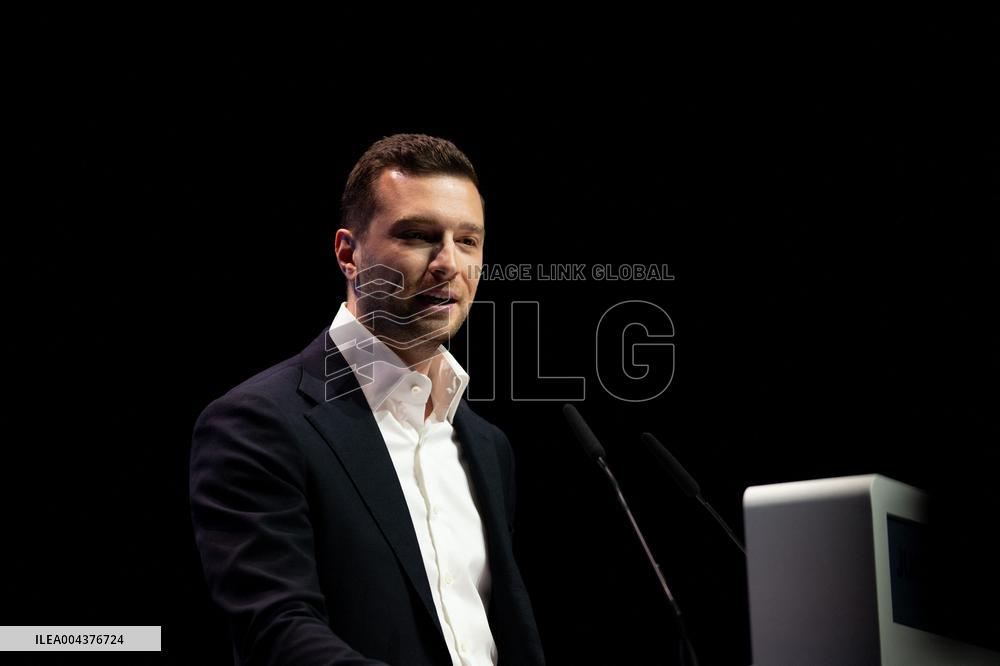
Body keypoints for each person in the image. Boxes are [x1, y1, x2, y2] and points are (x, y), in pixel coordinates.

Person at [189, 134, 545, 666]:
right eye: (419, 235)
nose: (448, 263)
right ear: (348, 254)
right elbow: (277, 633)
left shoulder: (488, 445)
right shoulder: (256, 424)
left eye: (468, 241)